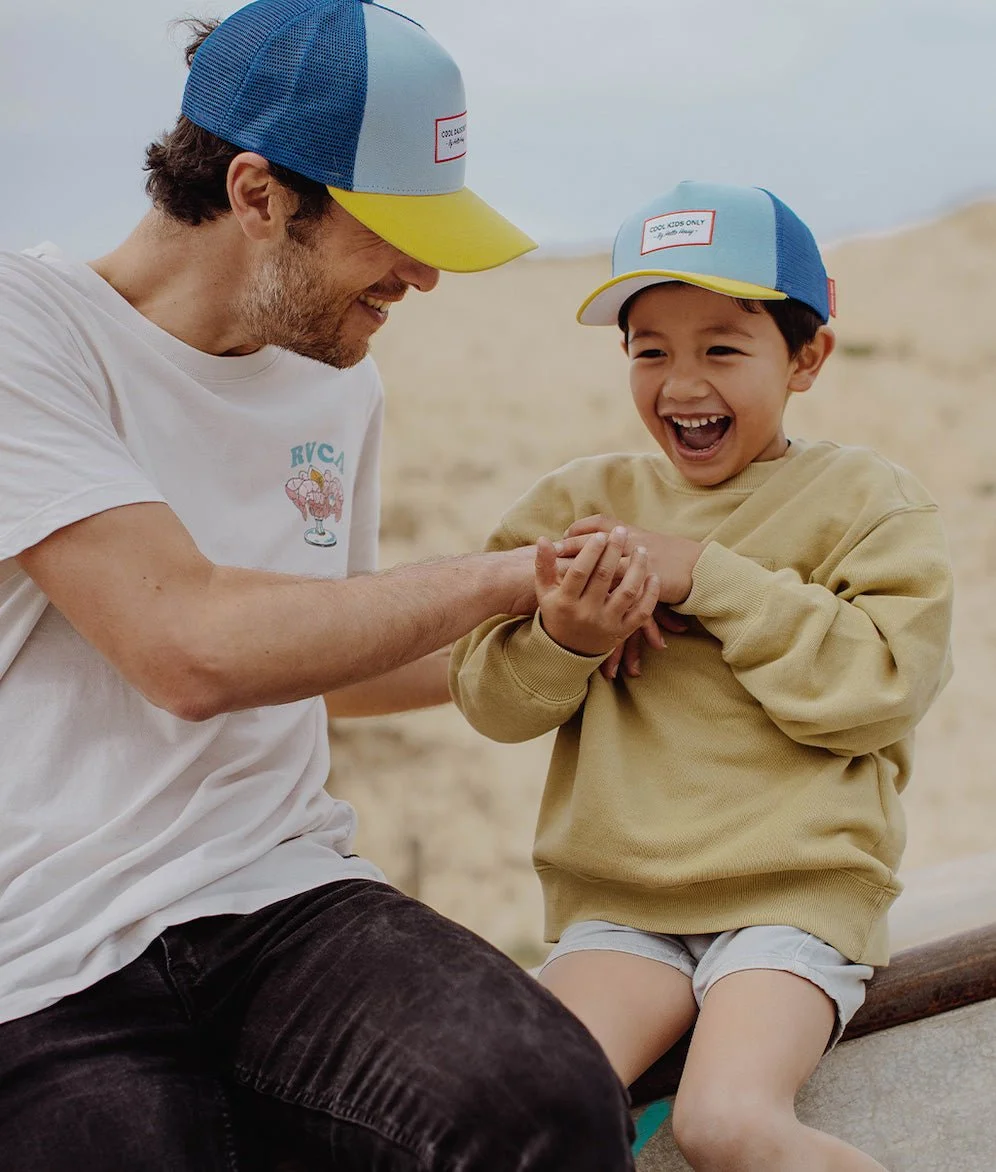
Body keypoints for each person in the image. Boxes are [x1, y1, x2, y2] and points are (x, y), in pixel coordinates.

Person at [0, 3, 644, 1168]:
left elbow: (333, 662)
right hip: (40, 951)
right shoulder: (27, 330)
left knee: (551, 1103)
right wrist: (500, 574)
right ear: (256, 194)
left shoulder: (335, 378)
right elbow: (189, 647)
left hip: (283, 894)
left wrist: (560, 629)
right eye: (395, 229)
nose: (427, 275)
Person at [450, 181, 954, 1171]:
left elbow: (880, 688)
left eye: (722, 348)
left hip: (793, 899)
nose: (682, 382)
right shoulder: (576, 506)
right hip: (623, 909)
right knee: (521, 1107)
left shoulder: (868, 502)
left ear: (806, 356)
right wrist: (573, 634)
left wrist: (703, 573)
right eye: (651, 350)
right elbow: (489, 697)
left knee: (725, 1120)